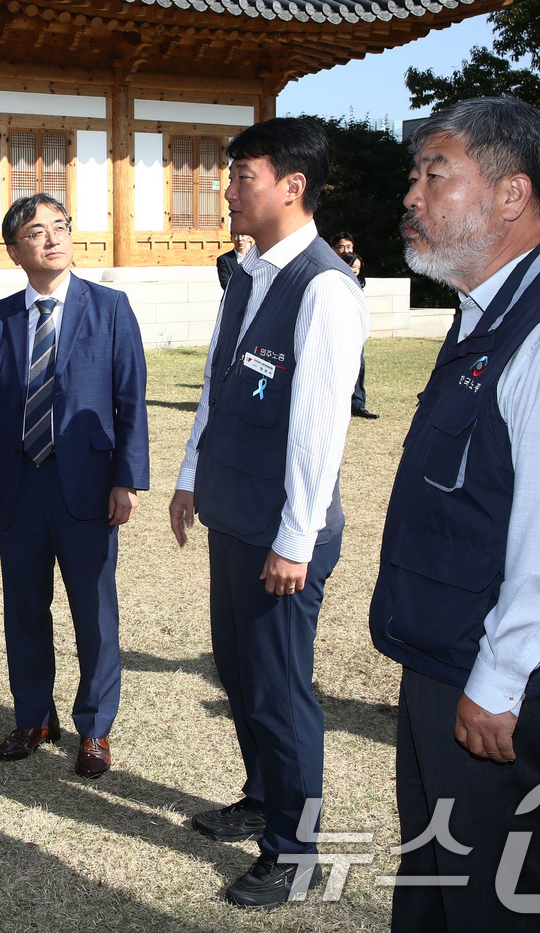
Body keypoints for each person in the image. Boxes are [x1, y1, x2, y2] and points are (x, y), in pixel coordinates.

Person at [371, 96, 540, 933]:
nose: (412, 195)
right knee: (436, 871)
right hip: (450, 649)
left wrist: (499, 681)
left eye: (435, 172)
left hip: (491, 673)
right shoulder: (491, 308)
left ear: (511, 194)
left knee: (490, 894)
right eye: (415, 174)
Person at [168, 117, 368, 908]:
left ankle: (296, 849)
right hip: (234, 515)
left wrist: (294, 540)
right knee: (242, 672)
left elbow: (321, 431)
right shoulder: (247, 273)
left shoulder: (324, 286)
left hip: (283, 534)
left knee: (282, 691)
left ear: (292, 185)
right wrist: (190, 475)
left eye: (241, 177)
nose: (227, 191)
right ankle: (261, 793)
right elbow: (219, 387)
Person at [0, 193, 149, 779]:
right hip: (20, 487)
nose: (52, 238)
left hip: (88, 488)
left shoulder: (111, 308)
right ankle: (33, 716)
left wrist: (126, 479)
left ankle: (94, 728)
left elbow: (130, 401)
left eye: (61, 227)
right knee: (23, 608)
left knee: (94, 613)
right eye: (36, 231)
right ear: (14, 250)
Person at [331, 232, 378, 419]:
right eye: (341, 247)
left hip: (354, 330)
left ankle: (358, 405)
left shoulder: (358, 280)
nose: (345, 251)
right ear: (333, 248)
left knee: (359, 365)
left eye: (349, 247)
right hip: (335, 328)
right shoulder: (329, 271)